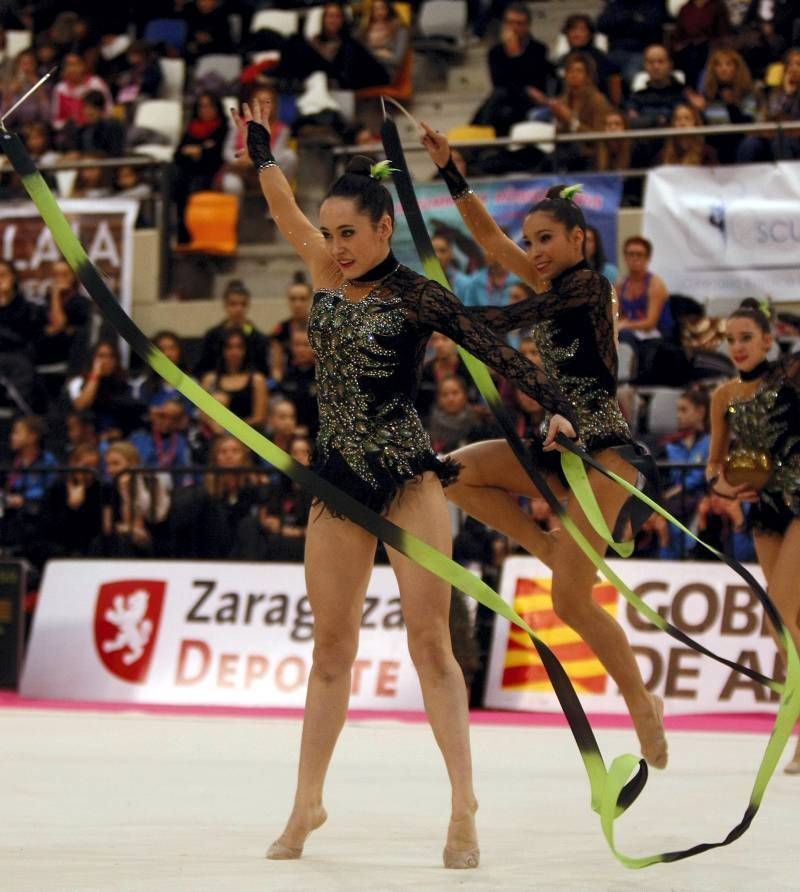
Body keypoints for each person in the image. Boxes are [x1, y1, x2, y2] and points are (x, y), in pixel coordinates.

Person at [232, 95, 578, 868]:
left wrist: (557, 407)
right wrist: (259, 151)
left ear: (385, 228)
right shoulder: (323, 267)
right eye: (332, 233)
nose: (336, 245)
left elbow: (495, 348)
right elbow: (284, 203)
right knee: (331, 648)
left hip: (407, 481)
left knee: (431, 644)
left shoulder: (417, 295)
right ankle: (306, 803)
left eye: (350, 232)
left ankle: (463, 808)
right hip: (336, 486)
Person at [420, 121, 668, 772]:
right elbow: (486, 238)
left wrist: (458, 320)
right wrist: (452, 173)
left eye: (546, 240)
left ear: (579, 239)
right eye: (530, 242)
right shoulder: (544, 283)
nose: (533, 251)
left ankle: (640, 700)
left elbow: (508, 323)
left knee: (568, 600)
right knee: (453, 472)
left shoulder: (590, 288)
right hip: (553, 449)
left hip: (604, 456)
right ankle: (547, 545)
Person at [706, 298, 800, 774]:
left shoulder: (791, 376)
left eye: (747, 338)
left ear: (769, 339)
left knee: (779, 620)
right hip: (765, 510)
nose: (738, 347)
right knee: (793, 621)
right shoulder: (722, 397)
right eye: (731, 339)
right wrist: (726, 486)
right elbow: (714, 464)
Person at [471, 2, 554, 136]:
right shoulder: (495, 52)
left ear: (527, 26)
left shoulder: (538, 50)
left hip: (528, 103)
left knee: (503, 109)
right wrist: (512, 54)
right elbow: (499, 83)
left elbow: (535, 80)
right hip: (505, 99)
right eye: (510, 23)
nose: (514, 28)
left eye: (519, 23)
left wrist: (515, 55)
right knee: (498, 102)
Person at [171, 91, 228, 245]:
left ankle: (195, 235)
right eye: (202, 106)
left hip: (211, 173)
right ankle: (180, 235)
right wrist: (201, 151)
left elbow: (216, 157)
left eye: (209, 106)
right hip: (188, 172)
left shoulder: (223, 128)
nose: (205, 110)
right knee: (175, 179)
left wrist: (197, 152)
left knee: (195, 186)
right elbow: (177, 155)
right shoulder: (192, 128)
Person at [686, 47, 757, 163]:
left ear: (737, 68)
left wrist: (731, 106)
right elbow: (708, 134)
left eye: (728, 64)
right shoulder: (707, 95)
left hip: (739, 145)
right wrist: (699, 111)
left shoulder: (747, 93)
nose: (723, 69)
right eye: (718, 65)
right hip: (715, 147)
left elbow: (746, 128)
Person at [195, 280, 270, 378]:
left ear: (248, 306)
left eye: (243, 304)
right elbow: (202, 368)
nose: (238, 309)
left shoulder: (257, 337)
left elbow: (263, 371)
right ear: (225, 306)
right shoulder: (212, 335)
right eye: (233, 304)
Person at [737, 47, 800, 164]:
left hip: (793, 140)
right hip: (769, 136)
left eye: (798, 64)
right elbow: (758, 117)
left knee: (782, 141)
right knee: (750, 144)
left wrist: (789, 95)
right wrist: (786, 94)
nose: (793, 69)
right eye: (790, 64)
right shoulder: (769, 91)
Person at [201, 327, 269, 433]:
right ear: (222, 350)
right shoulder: (210, 380)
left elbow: (259, 417)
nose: (234, 352)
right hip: (217, 436)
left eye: (239, 347)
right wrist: (219, 430)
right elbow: (203, 415)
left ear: (246, 350)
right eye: (229, 347)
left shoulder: (257, 380)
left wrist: (233, 431)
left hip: (247, 437)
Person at [270, 273, 313, 383]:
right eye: (293, 299)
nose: (297, 304)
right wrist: (277, 384)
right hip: (290, 381)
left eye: (302, 299)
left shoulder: (319, 327)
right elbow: (277, 368)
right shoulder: (280, 330)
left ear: (310, 300)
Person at [355, 0, 410, 83]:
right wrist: (377, 53)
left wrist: (371, 55)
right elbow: (359, 54)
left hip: (388, 72)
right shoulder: (365, 30)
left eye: (382, 8)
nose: (379, 12)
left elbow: (397, 60)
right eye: (375, 9)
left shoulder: (400, 29)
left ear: (388, 9)